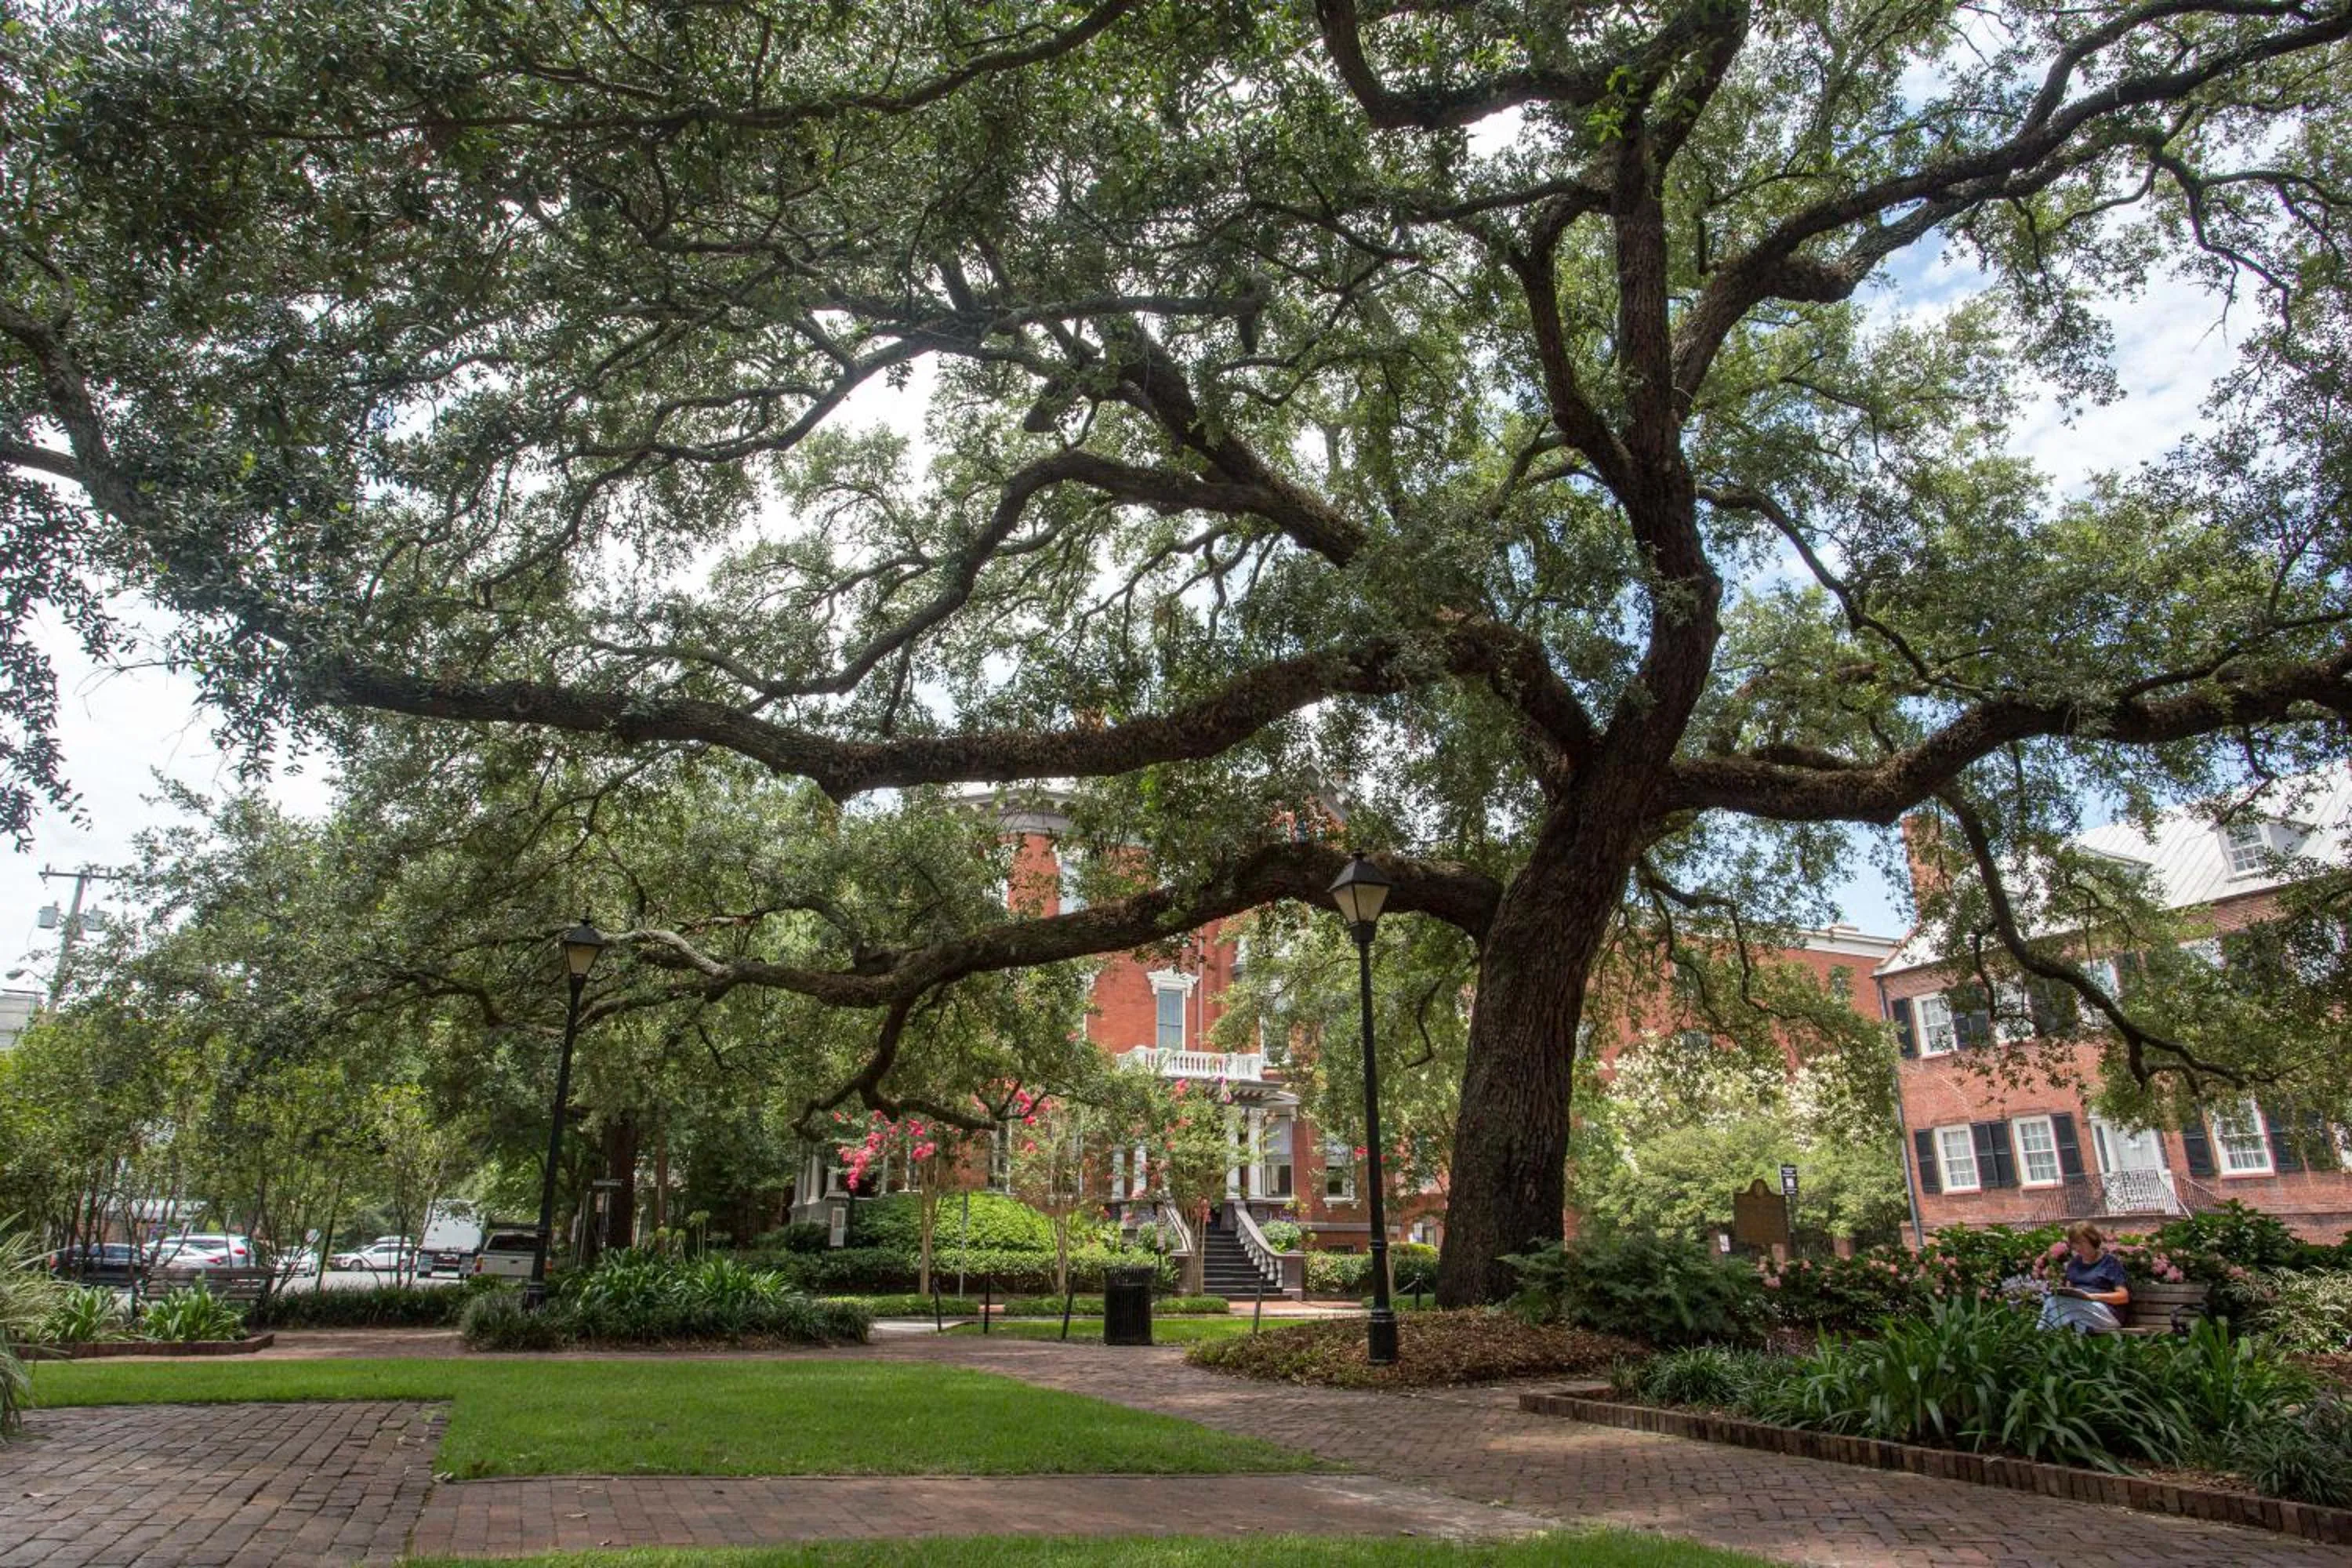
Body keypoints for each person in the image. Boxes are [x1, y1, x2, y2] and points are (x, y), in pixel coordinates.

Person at [2038, 1222, 2129, 1333]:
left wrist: (2091, 1297)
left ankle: (2041, 1335)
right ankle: (2044, 1334)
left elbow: (2123, 1297)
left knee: (2058, 1303)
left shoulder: (2110, 1263)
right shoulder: (2074, 1264)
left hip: (2107, 1313)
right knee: (2053, 1300)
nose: (2078, 1247)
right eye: (2075, 1243)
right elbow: (2069, 1290)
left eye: (2082, 1242)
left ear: (2093, 1240)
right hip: (2079, 1310)